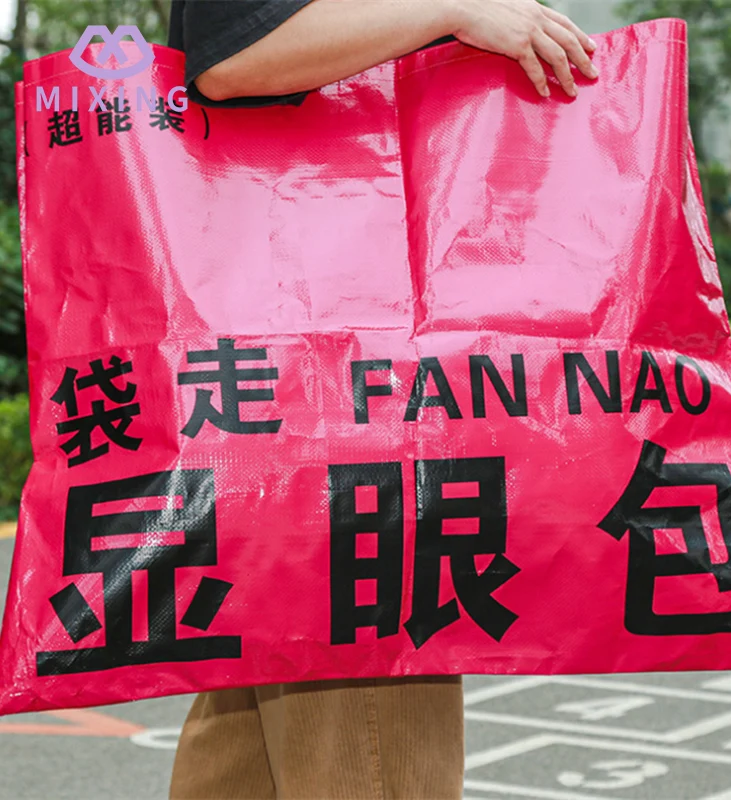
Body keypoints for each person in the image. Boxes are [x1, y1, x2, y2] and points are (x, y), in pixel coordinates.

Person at [167, 2, 597, 798]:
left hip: (299, 376)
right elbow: (231, 53)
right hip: (340, 386)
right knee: (371, 722)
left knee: (253, 737)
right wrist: (454, 12)